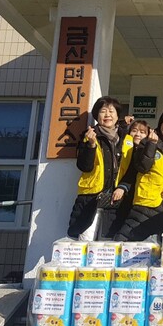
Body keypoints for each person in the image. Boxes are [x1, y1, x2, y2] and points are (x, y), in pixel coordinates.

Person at [114, 107, 163, 241]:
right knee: (125, 241)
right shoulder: (146, 142)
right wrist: (151, 145)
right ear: (161, 123)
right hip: (145, 205)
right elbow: (141, 167)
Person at [68, 96, 127, 239]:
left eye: (111, 111)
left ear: (117, 116)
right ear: (96, 115)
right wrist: (91, 145)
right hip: (91, 199)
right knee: (85, 240)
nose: (107, 115)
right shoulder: (89, 136)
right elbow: (84, 166)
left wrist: (123, 187)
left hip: (116, 201)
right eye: (103, 111)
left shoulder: (126, 138)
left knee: (108, 245)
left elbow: (131, 168)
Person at [108, 119, 150, 236]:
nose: (138, 134)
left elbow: (134, 171)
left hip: (139, 195)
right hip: (121, 194)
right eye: (134, 130)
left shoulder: (148, 151)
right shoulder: (123, 147)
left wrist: (123, 186)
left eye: (142, 132)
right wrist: (123, 123)